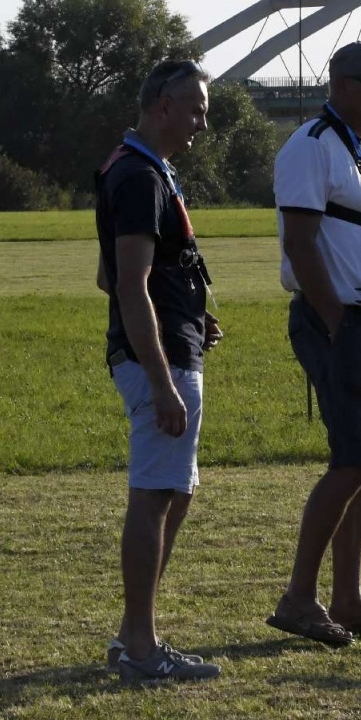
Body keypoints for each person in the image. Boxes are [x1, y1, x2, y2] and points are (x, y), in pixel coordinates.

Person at [267, 41, 361, 646]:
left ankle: (348, 599)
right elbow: (301, 247)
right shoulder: (309, 147)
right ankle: (299, 599)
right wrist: (335, 324)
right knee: (354, 458)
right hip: (341, 323)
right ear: (340, 84)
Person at [95, 58, 224, 682]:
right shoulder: (141, 176)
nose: (203, 122)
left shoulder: (140, 169)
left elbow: (111, 276)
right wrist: (161, 378)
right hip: (161, 362)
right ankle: (141, 650)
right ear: (162, 105)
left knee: (175, 493)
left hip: (174, 347)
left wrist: (191, 314)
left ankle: (133, 637)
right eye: (196, 108)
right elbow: (127, 283)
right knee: (153, 499)